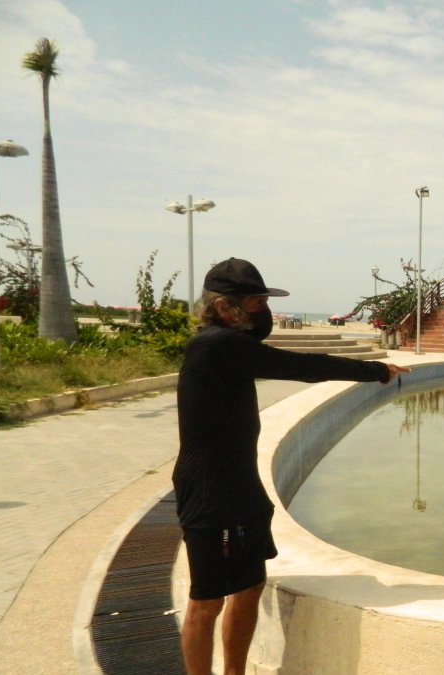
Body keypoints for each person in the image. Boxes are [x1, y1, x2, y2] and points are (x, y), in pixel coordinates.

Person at [173, 258, 410, 675]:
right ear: (226, 306)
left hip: (240, 486)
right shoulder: (216, 345)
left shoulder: (231, 347)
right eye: (257, 301)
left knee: (248, 588)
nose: (263, 310)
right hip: (211, 492)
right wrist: (374, 371)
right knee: (207, 599)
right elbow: (302, 366)